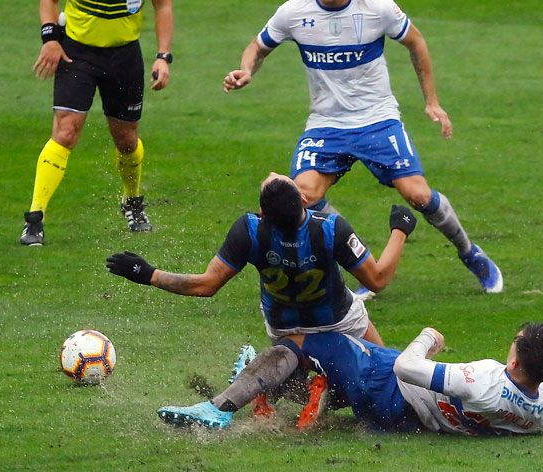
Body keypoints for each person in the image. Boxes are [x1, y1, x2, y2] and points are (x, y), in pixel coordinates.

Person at [223, 0, 502, 298]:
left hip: (377, 119)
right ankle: (363, 263)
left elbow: (415, 41)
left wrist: (431, 102)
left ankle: (470, 252)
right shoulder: (295, 12)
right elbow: (258, 46)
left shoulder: (377, 8)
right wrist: (246, 70)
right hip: (325, 124)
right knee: (302, 196)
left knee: (417, 194)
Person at [106, 172, 418, 426]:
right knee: (382, 387)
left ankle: (266, 378)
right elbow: (377, 278)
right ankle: (279, 381)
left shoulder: (251, 230)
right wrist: (399, 230)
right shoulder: (329, 228)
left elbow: (206, 285)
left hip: (285, 329)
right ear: (303, 204)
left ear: (263, 213)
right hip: (340, 321)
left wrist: (148, 274)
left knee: (338, 386)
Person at [157, 323, 543, 433]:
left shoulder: (482, 378)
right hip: (414, 420)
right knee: (338, 364)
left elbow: (406, 366)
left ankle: (222, 408)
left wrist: (428, 339)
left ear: (516, 362)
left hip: (392, 390)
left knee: (304, 340)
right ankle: (270, 385)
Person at [20, 0, 174, 245]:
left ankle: (132, 201)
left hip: (125, 57)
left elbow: (163, 5)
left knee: (126, 140)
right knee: (66, 131)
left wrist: (163, 56)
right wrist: (51, 39)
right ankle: (35, 218)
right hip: (78, 54)